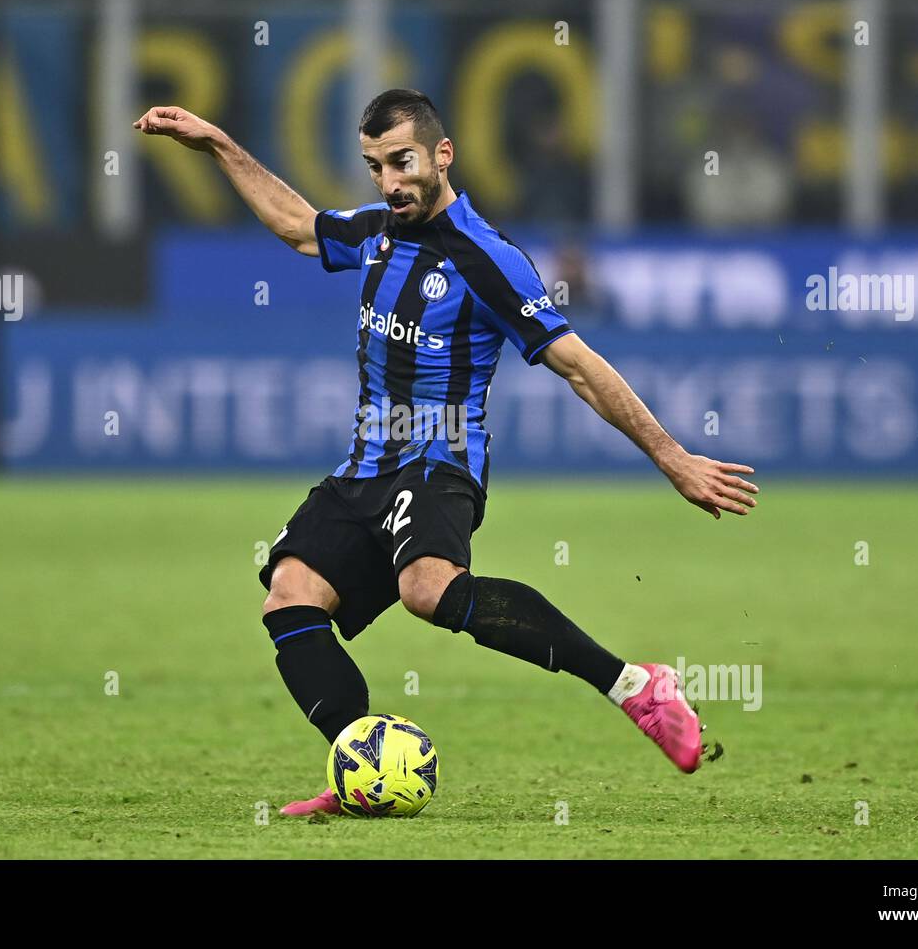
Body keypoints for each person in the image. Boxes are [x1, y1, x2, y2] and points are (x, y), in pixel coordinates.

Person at [135, 89, 758, 816]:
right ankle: (360, 764)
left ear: (442, 154)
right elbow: (299, 229)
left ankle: (635, 686)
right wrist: (217, 143)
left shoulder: (487, 260)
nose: (389, 181)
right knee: (290, 596)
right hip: (365, 464)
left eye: (401, 162)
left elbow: (580, 366)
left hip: (441, 458)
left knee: (427, 588)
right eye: (374, 166)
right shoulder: (377, 230)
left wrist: (671, 456)